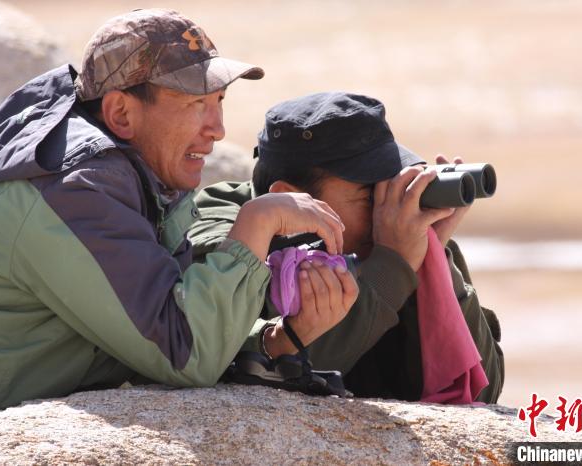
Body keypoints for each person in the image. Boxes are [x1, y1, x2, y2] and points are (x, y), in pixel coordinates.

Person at [0, 10, 358, 418]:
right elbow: (186, 352)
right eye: (197, 103)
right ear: (121, 114)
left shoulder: (135, 176)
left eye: (219, 100)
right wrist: (257, 222)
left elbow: (152, 325)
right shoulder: (76, 190)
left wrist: (278, 339)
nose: (217, 128)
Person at [190, 92, 505, 403]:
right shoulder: (228, 227)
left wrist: (433, 262)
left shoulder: (399, 234)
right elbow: (272, 367)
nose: (387, 206)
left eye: (392, 184)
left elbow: (482, 390)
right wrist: (393, 268)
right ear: (291, 197)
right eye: (369, 195)